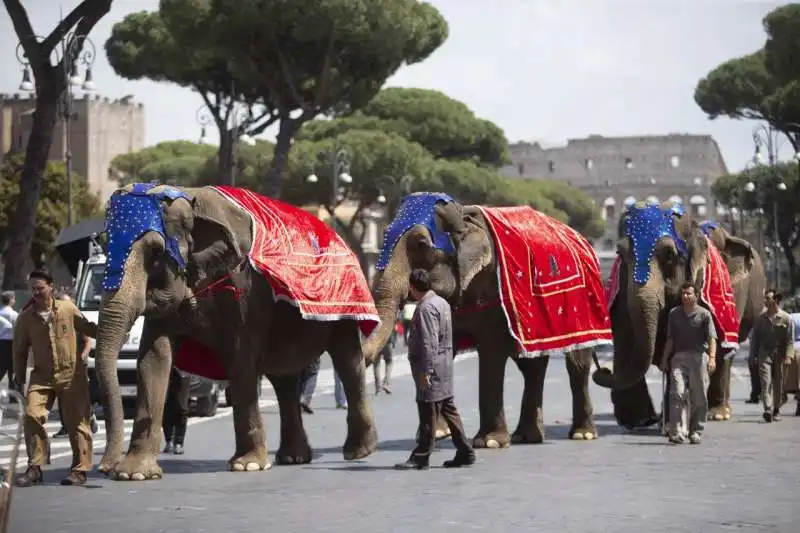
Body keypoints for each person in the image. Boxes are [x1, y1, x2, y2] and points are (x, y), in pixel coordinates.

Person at [12, 269, 98, 486]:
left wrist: (112, 331)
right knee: (32, 415)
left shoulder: (68, 309)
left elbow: (88, 328)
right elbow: (19, 351)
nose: (36, 293)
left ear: (51, 287)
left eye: (40, 288)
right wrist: (19, 378)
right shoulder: (25, 318)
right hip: (42, 376)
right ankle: (35, 467)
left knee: (77, 423)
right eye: (33, 289)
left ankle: (79, 470)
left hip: (71, 375)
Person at [395, 269, 475, 470]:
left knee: (428, 412)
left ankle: (421, 456)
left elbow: (429, 342)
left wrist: (425, 372)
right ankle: (465, 451)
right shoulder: (442, 303)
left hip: (432, 368)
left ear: (413, 287)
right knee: (449, 410)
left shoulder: (426, 308)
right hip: (445, 365)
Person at [660, 281, 717, 445]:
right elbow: (670, 339)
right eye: (683, 293)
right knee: (676, 393)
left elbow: (712, 339)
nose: (685, 296)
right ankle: (675, 431)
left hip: (699, 358)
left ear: (696, 296)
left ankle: (695, 431)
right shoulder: (674, 314)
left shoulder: (705, 315)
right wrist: (665, 359)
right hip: (678, 358)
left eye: (688, 294)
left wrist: (712, 358)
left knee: (699, 397)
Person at [52, 292, 99, 438]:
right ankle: (65, 426)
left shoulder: (77, 318)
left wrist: (81, 358)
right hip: (60, 364)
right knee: (61, 394)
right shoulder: (53, 319)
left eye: (65, 303)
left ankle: (88, 417)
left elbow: (87, 342)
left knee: (79, 394)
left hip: (77, 364)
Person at [748, 289, 795, 422]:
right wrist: (752, 356)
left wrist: (788, 356)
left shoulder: (786, 318)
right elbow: (755, 339)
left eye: (768, 299)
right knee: (765, 382)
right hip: (765, 354)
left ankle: (776, 409)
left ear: (776, 300)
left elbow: (790, 340)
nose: (765, 301)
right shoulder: (761, 318)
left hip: (780, 355)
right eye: (765, 298)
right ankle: (768, 409)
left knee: (779, 384)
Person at [163, 365, 191, 454]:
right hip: (164, 367)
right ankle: (169, 441)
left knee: (182, 408)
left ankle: (179, 442)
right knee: (166, 406)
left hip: (182, 367)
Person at [0, 291, 18, 387]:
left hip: (1, 343)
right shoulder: (14, 314)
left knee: (1, 367)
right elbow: (18, 328)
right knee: (12, 369)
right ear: (11, 300)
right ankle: (12, 393)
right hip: (11, 343)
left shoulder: (0, 312)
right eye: (14, 298)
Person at [374, 329, 395, 395]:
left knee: (376, 365)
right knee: (389, 362)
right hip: (387, 340)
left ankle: (378, 389)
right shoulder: (387, 317)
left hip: (375, 341)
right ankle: (386, 383)